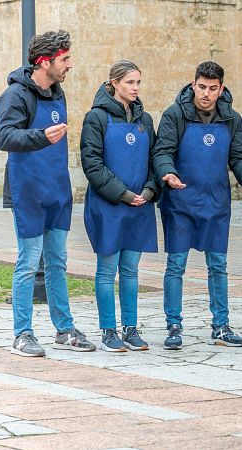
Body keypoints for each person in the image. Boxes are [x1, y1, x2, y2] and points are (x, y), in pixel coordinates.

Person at [152, 61, 242, 350]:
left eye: (212, 88)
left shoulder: (231, 119)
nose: (205, 93)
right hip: (180, 203)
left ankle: (221, 325)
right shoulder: (174, 115)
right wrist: (168, 172)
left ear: (221, 89)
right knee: (176, 265)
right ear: (193, 85)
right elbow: (162, 150)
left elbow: (239, 156)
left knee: (218, 265)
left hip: (216, 202)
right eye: (201, 87)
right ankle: (174, 325)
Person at [0, 30, 95, 357]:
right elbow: (4, 137)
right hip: (28, 192)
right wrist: (39, 136)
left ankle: (64, 329)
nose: (69, 65)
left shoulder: (58, 93)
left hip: (57, 191)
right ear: (44, 61)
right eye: (64, 59)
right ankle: (22, 334)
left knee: (57, 262)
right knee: (27, 264)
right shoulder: (16, 95)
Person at [80, 60, 158, 352]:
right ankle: (108, 331)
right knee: (106, 269)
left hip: (140, 205)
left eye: (138, 82)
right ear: (114, 83)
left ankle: (131, 328)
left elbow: (155, 159)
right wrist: (123, 194)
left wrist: (150, 190)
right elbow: (93, 164)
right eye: (130, 83)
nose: (135, 88)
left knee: (131, 270)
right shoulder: (96, 118)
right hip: (109, 205)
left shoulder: (145, 120)